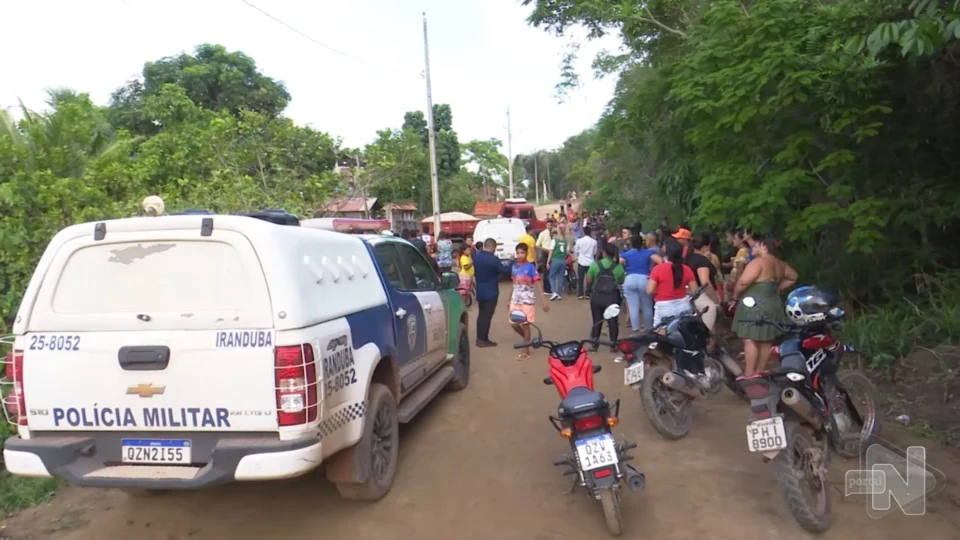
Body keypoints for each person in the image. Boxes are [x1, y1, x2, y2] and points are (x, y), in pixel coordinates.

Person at [732, 236, 799, 375]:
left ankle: (749, 375)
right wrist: (778, 288)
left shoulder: (759, 262)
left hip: (755, 305)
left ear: (764, 247)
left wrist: (736, 294)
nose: (753, 248)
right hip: (773, 303)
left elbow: (743, 282)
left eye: (756, 246)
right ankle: (760, 372)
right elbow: (793, 276)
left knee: (750, 340)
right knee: (767, 340)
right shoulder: (780, 264)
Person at [509, 244, 550, 359]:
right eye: (518, 253)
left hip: (527, 301)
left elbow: (538, 284)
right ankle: (527, 340)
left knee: (525, 324)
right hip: (515, 300)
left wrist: (544, 301)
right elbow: (513, 284)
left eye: (522, 253)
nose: (519, 255)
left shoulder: (531, 268)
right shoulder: (514, 267)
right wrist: (509, 299)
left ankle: (525, 349)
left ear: (527, 254)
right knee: (513, 324)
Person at [647, 239, 697, 328]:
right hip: (683, 306)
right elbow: (695, 291)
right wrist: (683, 290)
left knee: (659, 336)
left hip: (664, 308)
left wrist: (662, 289)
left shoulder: (658, 269)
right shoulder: (687, 269)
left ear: (665, 252)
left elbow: (650, 290)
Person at [473, 238, 513, 347]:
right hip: (491, 291)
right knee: (487, 316)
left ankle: (480, 338)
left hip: (480, 289)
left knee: (481, 315)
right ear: (493, 247)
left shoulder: (477, 256)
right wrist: (511, 261)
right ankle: (482, 340)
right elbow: (505, 271)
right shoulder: (493, 259)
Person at [585, 243, 625, 351]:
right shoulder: (618, 266)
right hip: (612, 296)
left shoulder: (595, 265)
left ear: (604, 253)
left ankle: (594, 343)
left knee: (597, 320)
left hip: (597, 296)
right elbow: (621, 281)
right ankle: (613, 344)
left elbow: (588, 280)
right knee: (613, 322)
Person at [620, 233, 663, 333]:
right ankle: (648, 329)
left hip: (630, 279)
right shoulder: (648, 253)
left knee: (633, 306)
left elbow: (617, 262)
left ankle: (635, 330)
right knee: (647, 306)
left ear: (631, 243)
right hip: (645, 279)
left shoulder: (627, 254)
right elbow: (660, 261)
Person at [686, 233, 722, 331]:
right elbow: (705, 283)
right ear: (706, 246)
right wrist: (715, 299)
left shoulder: (687, 259)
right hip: (704, 297)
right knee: (707, 331)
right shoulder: (702, 261)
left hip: (690, 295)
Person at [573, 226, 598, 299]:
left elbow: (576, 251)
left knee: (580, 279)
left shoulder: (579, 241)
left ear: (583, 232)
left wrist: (578, 256)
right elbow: (594, 252)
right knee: (590, 278)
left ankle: (580, 293)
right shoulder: (594, 241)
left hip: (581, 261)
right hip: (590, 262)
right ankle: (588, 293)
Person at [547, 227, 569, 300]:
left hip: (555, 259)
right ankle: (559, 293)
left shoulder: (554, 241)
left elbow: (551, 252)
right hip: (563, 260)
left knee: (552, 276)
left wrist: (548, 262)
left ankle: (554, 292)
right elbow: (567, 252)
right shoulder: (566, 242)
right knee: (561, 277)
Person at [536, 223, 555, 295]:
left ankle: (550, 287)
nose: (550, 226)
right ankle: (546, 289)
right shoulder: (543, 233)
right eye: (548, 225)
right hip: (545, 252)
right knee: (546, 271)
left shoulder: (554, 233)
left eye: (551, 225)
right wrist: (544, 249)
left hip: (552, 253)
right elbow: (537, 244)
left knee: (551, 271)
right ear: (546, 226)